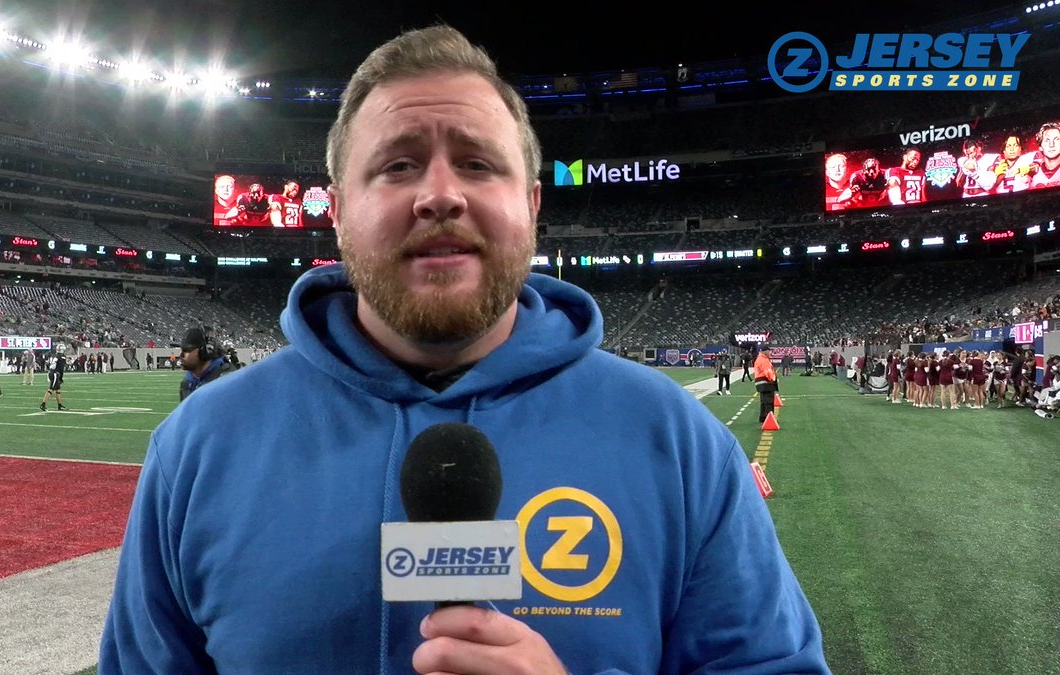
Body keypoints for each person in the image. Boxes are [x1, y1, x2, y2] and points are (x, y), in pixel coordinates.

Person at [101, 25, 828, 675]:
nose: (440, 194)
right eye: (397, 165)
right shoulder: (198, 449)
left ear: (532, 206)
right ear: (339, 210)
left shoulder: (679, 443)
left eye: (479, 164)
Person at [177, 326, 234, 401]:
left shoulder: (227, 380)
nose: (181, 355)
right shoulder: (187, 383)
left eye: (187, 350)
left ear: (205, 351)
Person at [1029, 121, 1060, 190]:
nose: (1051, 145)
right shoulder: (1032, 174)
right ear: (1040, 146)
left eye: (1057, 139)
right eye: (1047, 140)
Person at [754, 343, 779, 423]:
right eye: (769, 351)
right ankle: (769, 420)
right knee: (769, 402)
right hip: (766, 383)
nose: (770, 353)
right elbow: (768, 372)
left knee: (764, 402)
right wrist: (773, 379)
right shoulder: (764, 360)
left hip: (760, 383)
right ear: (765, 351)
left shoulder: (759, 359)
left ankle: (763, 418)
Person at [39, 345, 69, 412]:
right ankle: (43, 404)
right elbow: (61, 369)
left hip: (51, 372)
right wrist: (61, 378)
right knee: (51, 389)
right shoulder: (62, 357)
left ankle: (60, 405)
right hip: (55, 374)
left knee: (58, 390)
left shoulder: (55, 356)